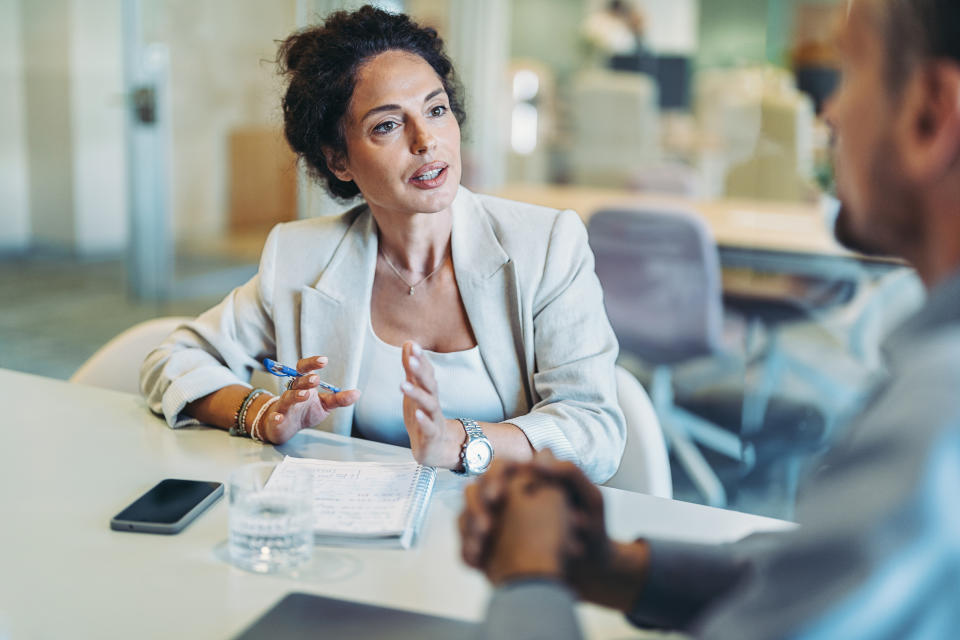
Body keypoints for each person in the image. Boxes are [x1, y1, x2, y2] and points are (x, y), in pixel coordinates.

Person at [460, 0, 960, 636]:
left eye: (849, 70)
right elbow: (817, 577)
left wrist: (528, 577)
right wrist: (615, 566)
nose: (828, 112)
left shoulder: (935, 422)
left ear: (930, 115)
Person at [139, 6, 625, 481]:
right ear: (339, 161)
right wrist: (262, 414)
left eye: (436, 110)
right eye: (387, 125)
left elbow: (595, 431)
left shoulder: (545, 245)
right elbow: (172, 361)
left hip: (501, 532)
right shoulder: (299, 256)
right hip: (352, 539)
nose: (425, 140)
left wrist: (456, 441)